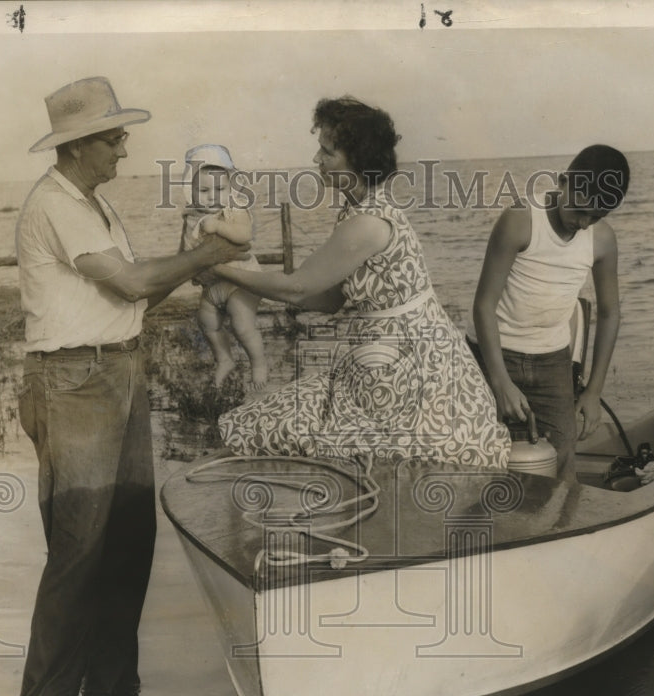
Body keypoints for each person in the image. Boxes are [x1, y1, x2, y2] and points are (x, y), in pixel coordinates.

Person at [14, 76, 249, 696]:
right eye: (114, 136)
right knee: (79, 549)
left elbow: (139, 294)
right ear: (79, 144)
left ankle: (111, 684)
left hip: (118, 370)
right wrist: (212, 251)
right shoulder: (54, 205)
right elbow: (133, 282)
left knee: (127, 541)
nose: (124, 145)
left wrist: (201, 268)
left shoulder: (93, 203)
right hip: (73, 383)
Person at [214, 96, 510, 468]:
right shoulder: (362, 210)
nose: (316, 160)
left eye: (327, 152)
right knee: (264, 422)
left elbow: (297, 287)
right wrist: (247, 275)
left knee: (273, 429)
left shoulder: (367, 222)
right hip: (389, 368)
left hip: (411, 378)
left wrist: (220, 271)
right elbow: (326, 300)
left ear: (358, 162)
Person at [467, 144, 630, 483]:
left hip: (552, 362)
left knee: (561, 460)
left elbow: (611, 313)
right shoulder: (521, 220)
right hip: (492, 356)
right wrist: (500, 383)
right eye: (580, 210)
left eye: (596, 217)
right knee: (486, 460)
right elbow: (484, 304)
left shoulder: (601, 240)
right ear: (562, 182)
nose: (584, 223)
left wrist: (593, 391)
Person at [179, 144, 268, 390]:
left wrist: (218, 227)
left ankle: (258, 362)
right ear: (191, 191)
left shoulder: (234, 209)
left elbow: (244, 235)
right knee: (206, 320)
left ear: (231, 188)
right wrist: (188, 269)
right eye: (204, 190)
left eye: (220, 188)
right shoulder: (191, 216)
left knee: (242, 324)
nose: (213, 195)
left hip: (242, 282)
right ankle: (224, 358)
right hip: (213, 285)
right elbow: (183, 248)